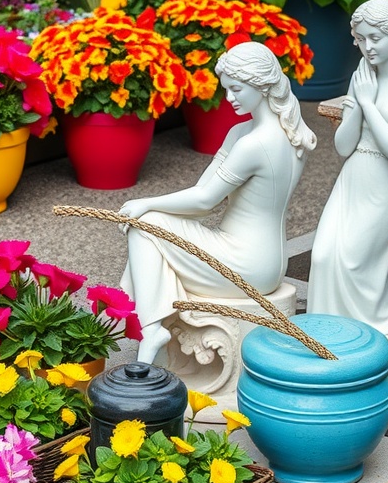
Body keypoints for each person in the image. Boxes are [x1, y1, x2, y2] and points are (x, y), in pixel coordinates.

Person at [118, 41, 317, 363]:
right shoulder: (279, 132)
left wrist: (145, 202)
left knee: (146, 225)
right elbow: (203, 193)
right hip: (264, 259)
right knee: (154, 229)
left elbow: (205, 200)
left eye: (237, 89)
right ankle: (148, 322)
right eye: (227, 89)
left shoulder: (255, 143)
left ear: (261, 84)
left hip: (246, 263)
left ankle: (149, 324)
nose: (229, 98)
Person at [307, 0, 388, 367]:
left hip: (385, 183)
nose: (368, 47)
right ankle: (333, 331)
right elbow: (344, 146)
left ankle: (382, 330)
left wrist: (369, 103)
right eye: (361, 39)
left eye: (375, 37)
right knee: (326, 254)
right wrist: (359, 103)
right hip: (353, 179)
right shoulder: (361, 79)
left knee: (363, 262)